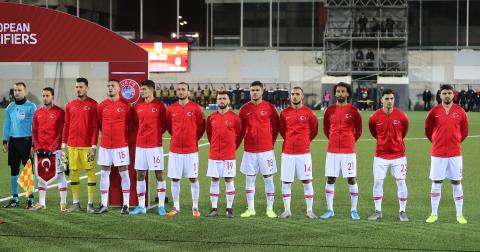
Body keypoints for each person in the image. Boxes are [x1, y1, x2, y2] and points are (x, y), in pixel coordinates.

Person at [425, 84, 469, 224]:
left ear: (453, 95)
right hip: (438, 153)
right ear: (440, 95)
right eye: (445, 93)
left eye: (450, 93)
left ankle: (460, 214)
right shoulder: (434, 112)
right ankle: (434, 214)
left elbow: (464, 131)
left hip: (455, 153)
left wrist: (455, 141)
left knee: (456, 182)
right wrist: (437, 141)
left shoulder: (460, 111)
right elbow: (428, 130)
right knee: (437, 181)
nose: (447, 96)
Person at [321, 82, 362, 220]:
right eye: (338, 91)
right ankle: (330, 210)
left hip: (348, 151)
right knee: (331, 178)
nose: (340, 93)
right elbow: (326, 129)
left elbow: (359, 131)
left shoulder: (353, 111)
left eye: (343, 91)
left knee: (351, 179)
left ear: (348, 93)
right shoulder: (329, 110)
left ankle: (354, 210)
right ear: (335, 93)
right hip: (332, 150)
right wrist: (333, 138)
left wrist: (349, 140)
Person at [238, 81, 279, 218]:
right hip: (249, 150)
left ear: (262, 91)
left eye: (257, 90)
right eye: (252, 90)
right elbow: (241, 130)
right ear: (249, 91)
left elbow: (276, 128)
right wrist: (235, 146)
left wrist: (270, 143)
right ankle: (251, 208)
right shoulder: (244, 109)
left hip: (266, 150)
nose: (254, 92)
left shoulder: (269, 107)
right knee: (250, 178)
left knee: (268, 178)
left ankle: (270, 208)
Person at [367, 89, 409, 221]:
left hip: (399, 155)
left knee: (401, 182)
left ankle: (402, 211)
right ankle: (378, 210)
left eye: (391, 98)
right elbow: (374, 133)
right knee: (378, 182)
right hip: (381, 155)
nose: (389, 101)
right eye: (386, 99)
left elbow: (404, 132)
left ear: (394, 100)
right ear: (381, 100)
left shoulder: (402, 116)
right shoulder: (374, 117)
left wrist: (397, 143)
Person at [165, 82, 205, 217]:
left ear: (188, 92)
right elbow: (169, 128)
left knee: (193, 178)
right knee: (175, 179)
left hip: (191, 150)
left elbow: (201, 127)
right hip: (175, 150)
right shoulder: (170, 109)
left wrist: (193, 139)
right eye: (179, 90)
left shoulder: (196, 108)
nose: (181, 92)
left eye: (183, 89)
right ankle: (176, 206)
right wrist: (177, 137)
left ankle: (195, 206)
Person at [278, 87, 318, 219]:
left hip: (303, 153)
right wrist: (291, 140)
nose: (294, 96)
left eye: (297, 94)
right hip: (287, 152)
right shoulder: (284, 113)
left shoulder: (309, 113)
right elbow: (282, 131)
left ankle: (309, 210)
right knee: (286, 182)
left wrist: (304, 141)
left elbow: (314, 131)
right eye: (293, 94)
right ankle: (287, 210)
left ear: (302, 96)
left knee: (307, 181)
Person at [129, 80, 168, 216]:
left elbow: (164, 124)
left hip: (155, 145)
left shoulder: (159, 105)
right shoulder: (137, 106)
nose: (142, 92)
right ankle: (141, 206)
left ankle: (161, 205)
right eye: (141, 89)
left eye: (144, 89)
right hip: (140, 145)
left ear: (152, 89)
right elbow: (134, 124)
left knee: (159, 174)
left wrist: (155, 135)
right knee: (140, 174)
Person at [95, 79, 132, 214]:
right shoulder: (102, 106)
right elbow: (99, 124)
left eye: (113, 86)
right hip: (105, 145)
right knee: (104, 173)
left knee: (124, 172)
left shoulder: (126, 105)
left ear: (118, 89)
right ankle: (104, 204)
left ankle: (126, 204)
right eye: (108, 86)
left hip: (120, 145)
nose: (110, 88)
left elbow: (130, 124)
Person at [63, 78, 99, 213]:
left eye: (81, 87)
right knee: (74, 172)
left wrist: (94, 147)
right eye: (77, 87)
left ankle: (90, 205)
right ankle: (76, 204)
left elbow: (95, 127)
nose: (78, 89)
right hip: (71, 145)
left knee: (90, 172)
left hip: (87, 146)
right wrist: (63, 145)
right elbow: (66, 126)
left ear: (87, 88)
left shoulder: (93, 104)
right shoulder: (70, 105)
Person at [205, 91, 242, 218]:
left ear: (229, 101)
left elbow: (238, 135)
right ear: (217, 100)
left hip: (229, 155)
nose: (221, 100)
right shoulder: (211, 118)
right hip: (214, 154)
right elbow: (210, 135)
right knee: (214, 179)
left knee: (228, 180)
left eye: (224, 98)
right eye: (219, 98)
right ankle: (214, 208)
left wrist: (231, 148)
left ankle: (229, 209)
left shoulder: (235, 118)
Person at [31, 87, 67, 211]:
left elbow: (61, 132)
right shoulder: (37, 113)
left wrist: (52, 148)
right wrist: (38, 147)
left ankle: (63, 203)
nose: (45, 98)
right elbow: (34, 132)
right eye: (43, 96)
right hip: (41, 150)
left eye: (47, 96)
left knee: (61, 175)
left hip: (56, 150)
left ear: (53, 97)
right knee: (40, 176)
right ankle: (42, 203)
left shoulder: (60, 112)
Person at [2, 82, 37, 209]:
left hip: (27, 141)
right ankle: (15, 198)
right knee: (14, 170)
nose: (16, 92)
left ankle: (30, 199)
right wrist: (4, 141)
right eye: (15, 90)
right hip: (13, 142)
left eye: (19, 90)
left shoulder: (31, 106)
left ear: (25, 91)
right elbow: (7, 125)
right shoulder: (10, 107)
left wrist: (34, 144)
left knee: (28, 170)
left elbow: (35, 127)